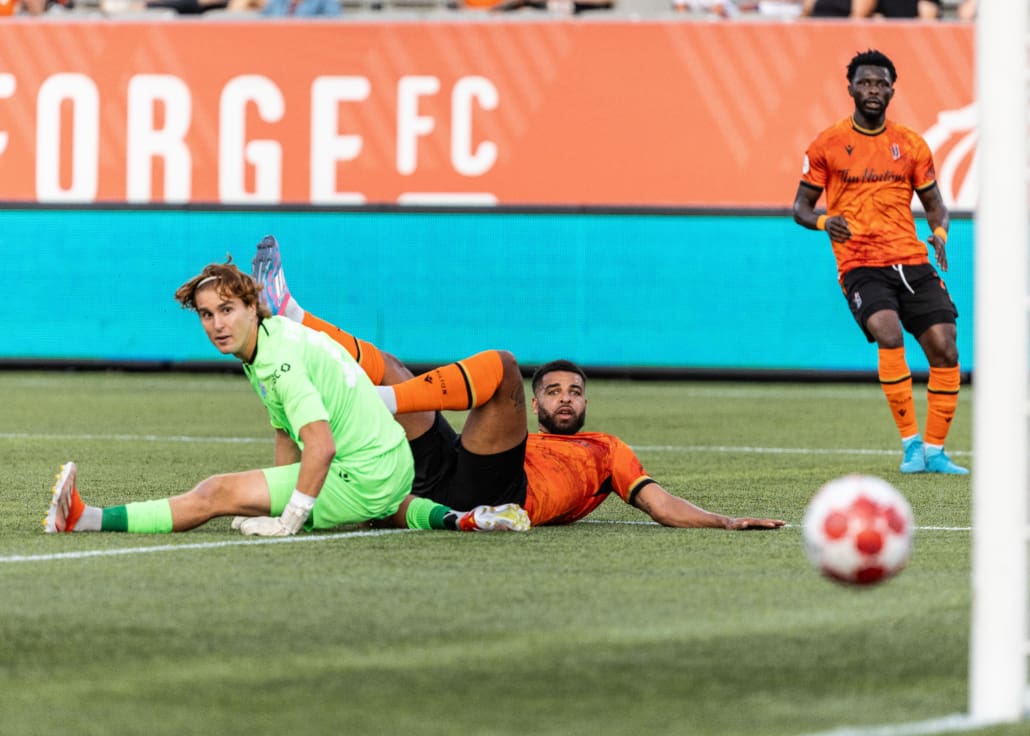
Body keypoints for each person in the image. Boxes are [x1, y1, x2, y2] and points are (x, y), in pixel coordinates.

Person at [252, 235, 786, 531]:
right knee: (390, 362)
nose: (565, 399)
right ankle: (292, 315)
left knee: (502, 364)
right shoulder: (525, 439)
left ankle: (380, 402)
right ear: (534, 407)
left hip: (506, 491)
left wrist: (724, 521)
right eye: (553, 391)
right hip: (458, 471)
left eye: (574, 392)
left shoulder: (604, 450)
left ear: (587, 402)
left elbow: (658, 503)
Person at [43, 260, 529, 536]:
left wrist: (288, 520)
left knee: (217, 493)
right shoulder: (269, 343)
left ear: (254, 308)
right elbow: (286, 430)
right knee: (248, 493)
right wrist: (280, 494)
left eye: (228, 311)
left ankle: (87, 520)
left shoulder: (279, 361)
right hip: (389, 462)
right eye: (207, 315)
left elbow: (320, 445)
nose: (217, 325)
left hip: (369, 471)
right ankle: (461, 520)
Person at [792, 49, 967, 475]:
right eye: (865, 82)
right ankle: (910, 445)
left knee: (945, 347)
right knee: (888, 333)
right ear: (850, 87)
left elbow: (936, 205)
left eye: (880, 83)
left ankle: (935, 452)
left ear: (892, 89)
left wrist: (940, 234)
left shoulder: (910, 145)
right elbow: (800, 207)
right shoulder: (827, 144)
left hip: (910, 258)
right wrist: (824, 222)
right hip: (860, 262)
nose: (873, 90)